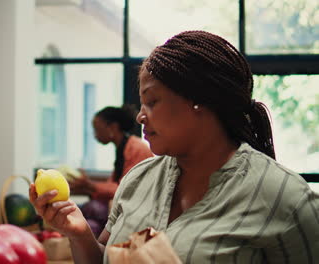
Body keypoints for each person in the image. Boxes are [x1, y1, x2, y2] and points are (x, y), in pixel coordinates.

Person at [30, 31, 319, 264]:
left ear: (199, 100)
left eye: (152, 101)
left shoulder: (286, 199)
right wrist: (79, 234)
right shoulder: (137, 180)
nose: (141, 116)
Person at [69, 105, 153, 237]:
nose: (95, 135)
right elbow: (113, 183)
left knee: (85, 210)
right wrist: (86, 187)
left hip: (135, 209)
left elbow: (125, 189)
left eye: (97, 129)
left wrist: (89, 185)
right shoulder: (122, 147)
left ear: (112, 127)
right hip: (118, 205)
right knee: (86, 220)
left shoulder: (137, 148)